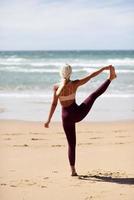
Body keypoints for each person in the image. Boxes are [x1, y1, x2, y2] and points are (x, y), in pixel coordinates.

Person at [44, 64, 116, 176]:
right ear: (70, 73)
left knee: (71, 144)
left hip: (66, 118)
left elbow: (54, 104)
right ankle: (110, 78)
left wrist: (48, 120)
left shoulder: (56, 87)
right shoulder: (75, 83)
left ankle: (73, 170)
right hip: (78, 114)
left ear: (61, 73)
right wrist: (103, 69)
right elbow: (91, 76)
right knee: (93, 95)